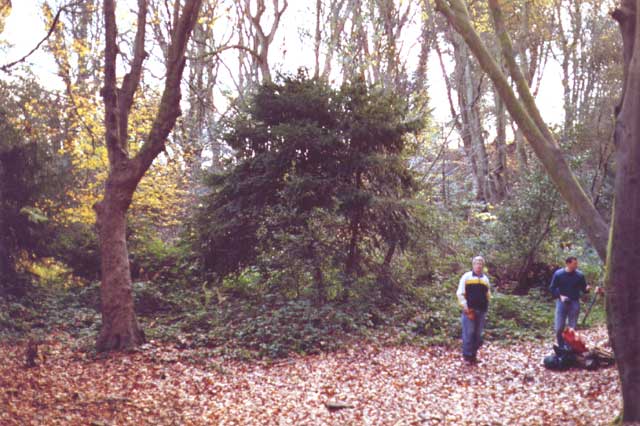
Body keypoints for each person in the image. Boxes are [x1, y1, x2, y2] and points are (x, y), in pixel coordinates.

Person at [549, 256, 600, 348]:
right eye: (574, 263)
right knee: (559, 327)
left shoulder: (579, 275)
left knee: (572, 327)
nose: (576, 265)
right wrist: (560, 296)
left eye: (576, 263)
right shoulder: (558, 274)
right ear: (568, 264)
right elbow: (552, 288)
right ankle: (561, 346)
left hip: (574, 302)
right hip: (562, 302)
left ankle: (569, 347)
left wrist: (587, 289)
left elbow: (584, 289)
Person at [456, 256, 491, 365]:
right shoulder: (466, 277)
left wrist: (486, 307)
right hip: (469, 310)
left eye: (480, 263)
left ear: (483, 266)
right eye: (476, 263)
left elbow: (488, 294)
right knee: (468, 333)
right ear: (473, 265)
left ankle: (473, 356)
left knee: (477, 334)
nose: (478, 265)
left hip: (481, 310)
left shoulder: (485, 279)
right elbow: (460, 293)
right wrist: (465, 307)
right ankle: (467, 357)